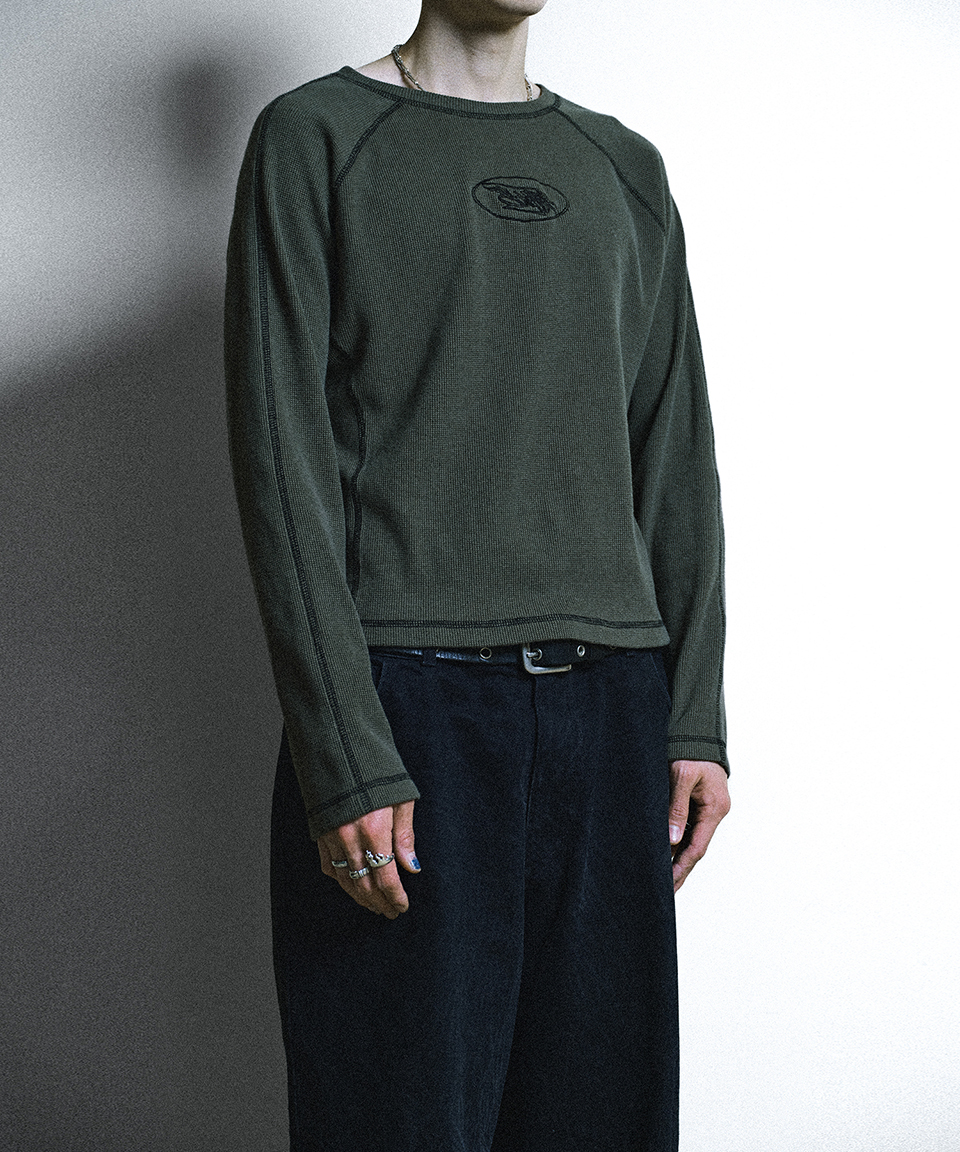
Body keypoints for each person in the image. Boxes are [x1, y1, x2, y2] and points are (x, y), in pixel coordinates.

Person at [224, 0, 731, 1147]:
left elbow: (675, 454)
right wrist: (345, 751)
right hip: (411, 713)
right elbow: (280, 461)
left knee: (604, 1122)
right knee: (397, 1124)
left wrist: (693, 714)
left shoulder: (624, 168)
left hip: (616, 714)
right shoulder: (315, 137)